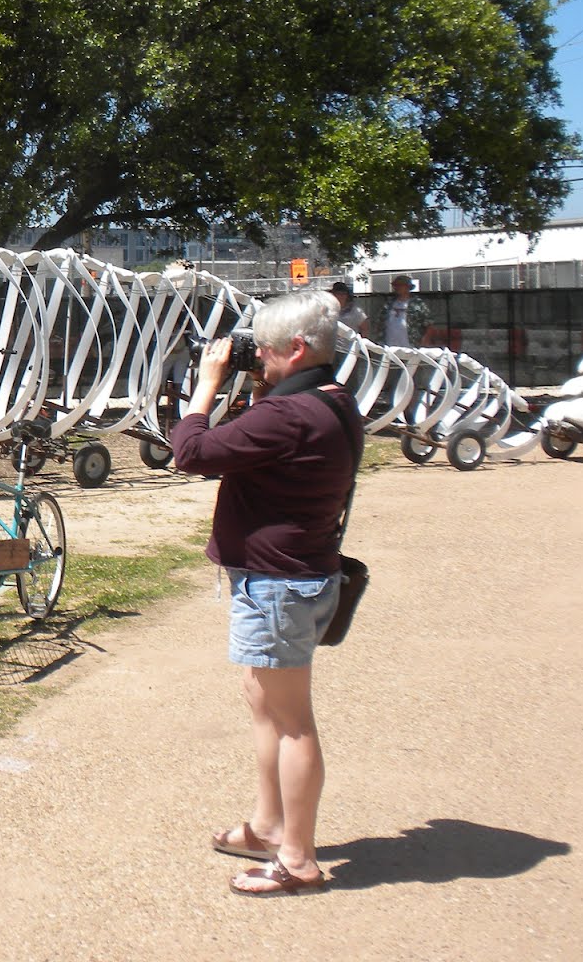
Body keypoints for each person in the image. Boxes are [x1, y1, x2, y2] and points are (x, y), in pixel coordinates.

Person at [169, 290, 360, 897]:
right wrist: (261, 386)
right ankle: (269, 823)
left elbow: (191, 451)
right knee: (262, 698)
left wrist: (206, 382)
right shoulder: (331, 399)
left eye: (269, 352)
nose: (260, 359)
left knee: (293, 721)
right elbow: (257, 445)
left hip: (279, 584)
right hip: (294, 576)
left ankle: (297, 860)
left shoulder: (289, 414)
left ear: (298, 349)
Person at [379, 275, 433, 348]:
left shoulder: (418, 304)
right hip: (389, 346)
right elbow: (380, 322)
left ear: (408, 287)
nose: (397, 288)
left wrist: (425, 339)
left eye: (400, 285)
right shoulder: (389, 304)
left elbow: (429, 323)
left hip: (411, 345)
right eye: (395, 285)